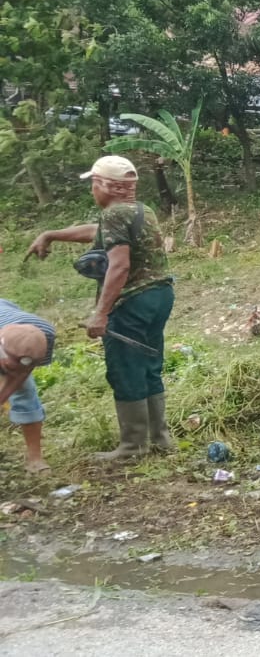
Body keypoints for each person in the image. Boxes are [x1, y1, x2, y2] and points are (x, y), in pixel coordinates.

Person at [27, 155, 174, 461]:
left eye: (94, 183)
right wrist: (52, 234)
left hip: (132, 301)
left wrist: (101, 313)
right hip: (159, 295)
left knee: (126, 368)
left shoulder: (114, 215)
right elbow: (96, 232)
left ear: (106, 186)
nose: (92, 189)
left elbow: (119, 266)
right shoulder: (140, 210)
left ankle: (133, 446)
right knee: (149, 364)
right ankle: (160, 438)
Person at [0, 303, 56, 473]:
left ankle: (35, 459)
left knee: (25, 392)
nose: (12, 369)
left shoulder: (44, 336)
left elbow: (22, 373)